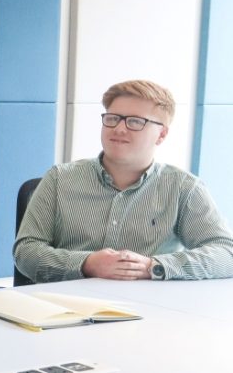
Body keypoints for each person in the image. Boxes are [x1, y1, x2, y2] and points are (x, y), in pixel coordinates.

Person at [14, 80, 233, 282]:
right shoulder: (60, 179)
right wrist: (86, 264)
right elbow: (26, 251)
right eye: (113, 118)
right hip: (65, 309)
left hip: (151, 311)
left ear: (162, 134)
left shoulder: (183, 187)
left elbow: (226, 253)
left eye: (135, 122)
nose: (119, 128)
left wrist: (154, 266)